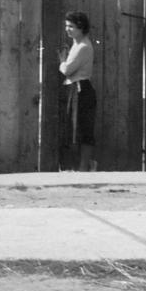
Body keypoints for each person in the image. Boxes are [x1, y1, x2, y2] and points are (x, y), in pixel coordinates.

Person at [59, 10, 96, 172]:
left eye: (71, 26)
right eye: (66, 26)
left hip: (81, 89)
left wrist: (61, 62)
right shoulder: (76, 44)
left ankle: (85, 165)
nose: (67, 29)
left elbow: (67, 70)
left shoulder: (83, 47)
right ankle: (78, 165)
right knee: (74, 128)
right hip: (75, 88)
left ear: (81, 27)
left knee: (82, 128)